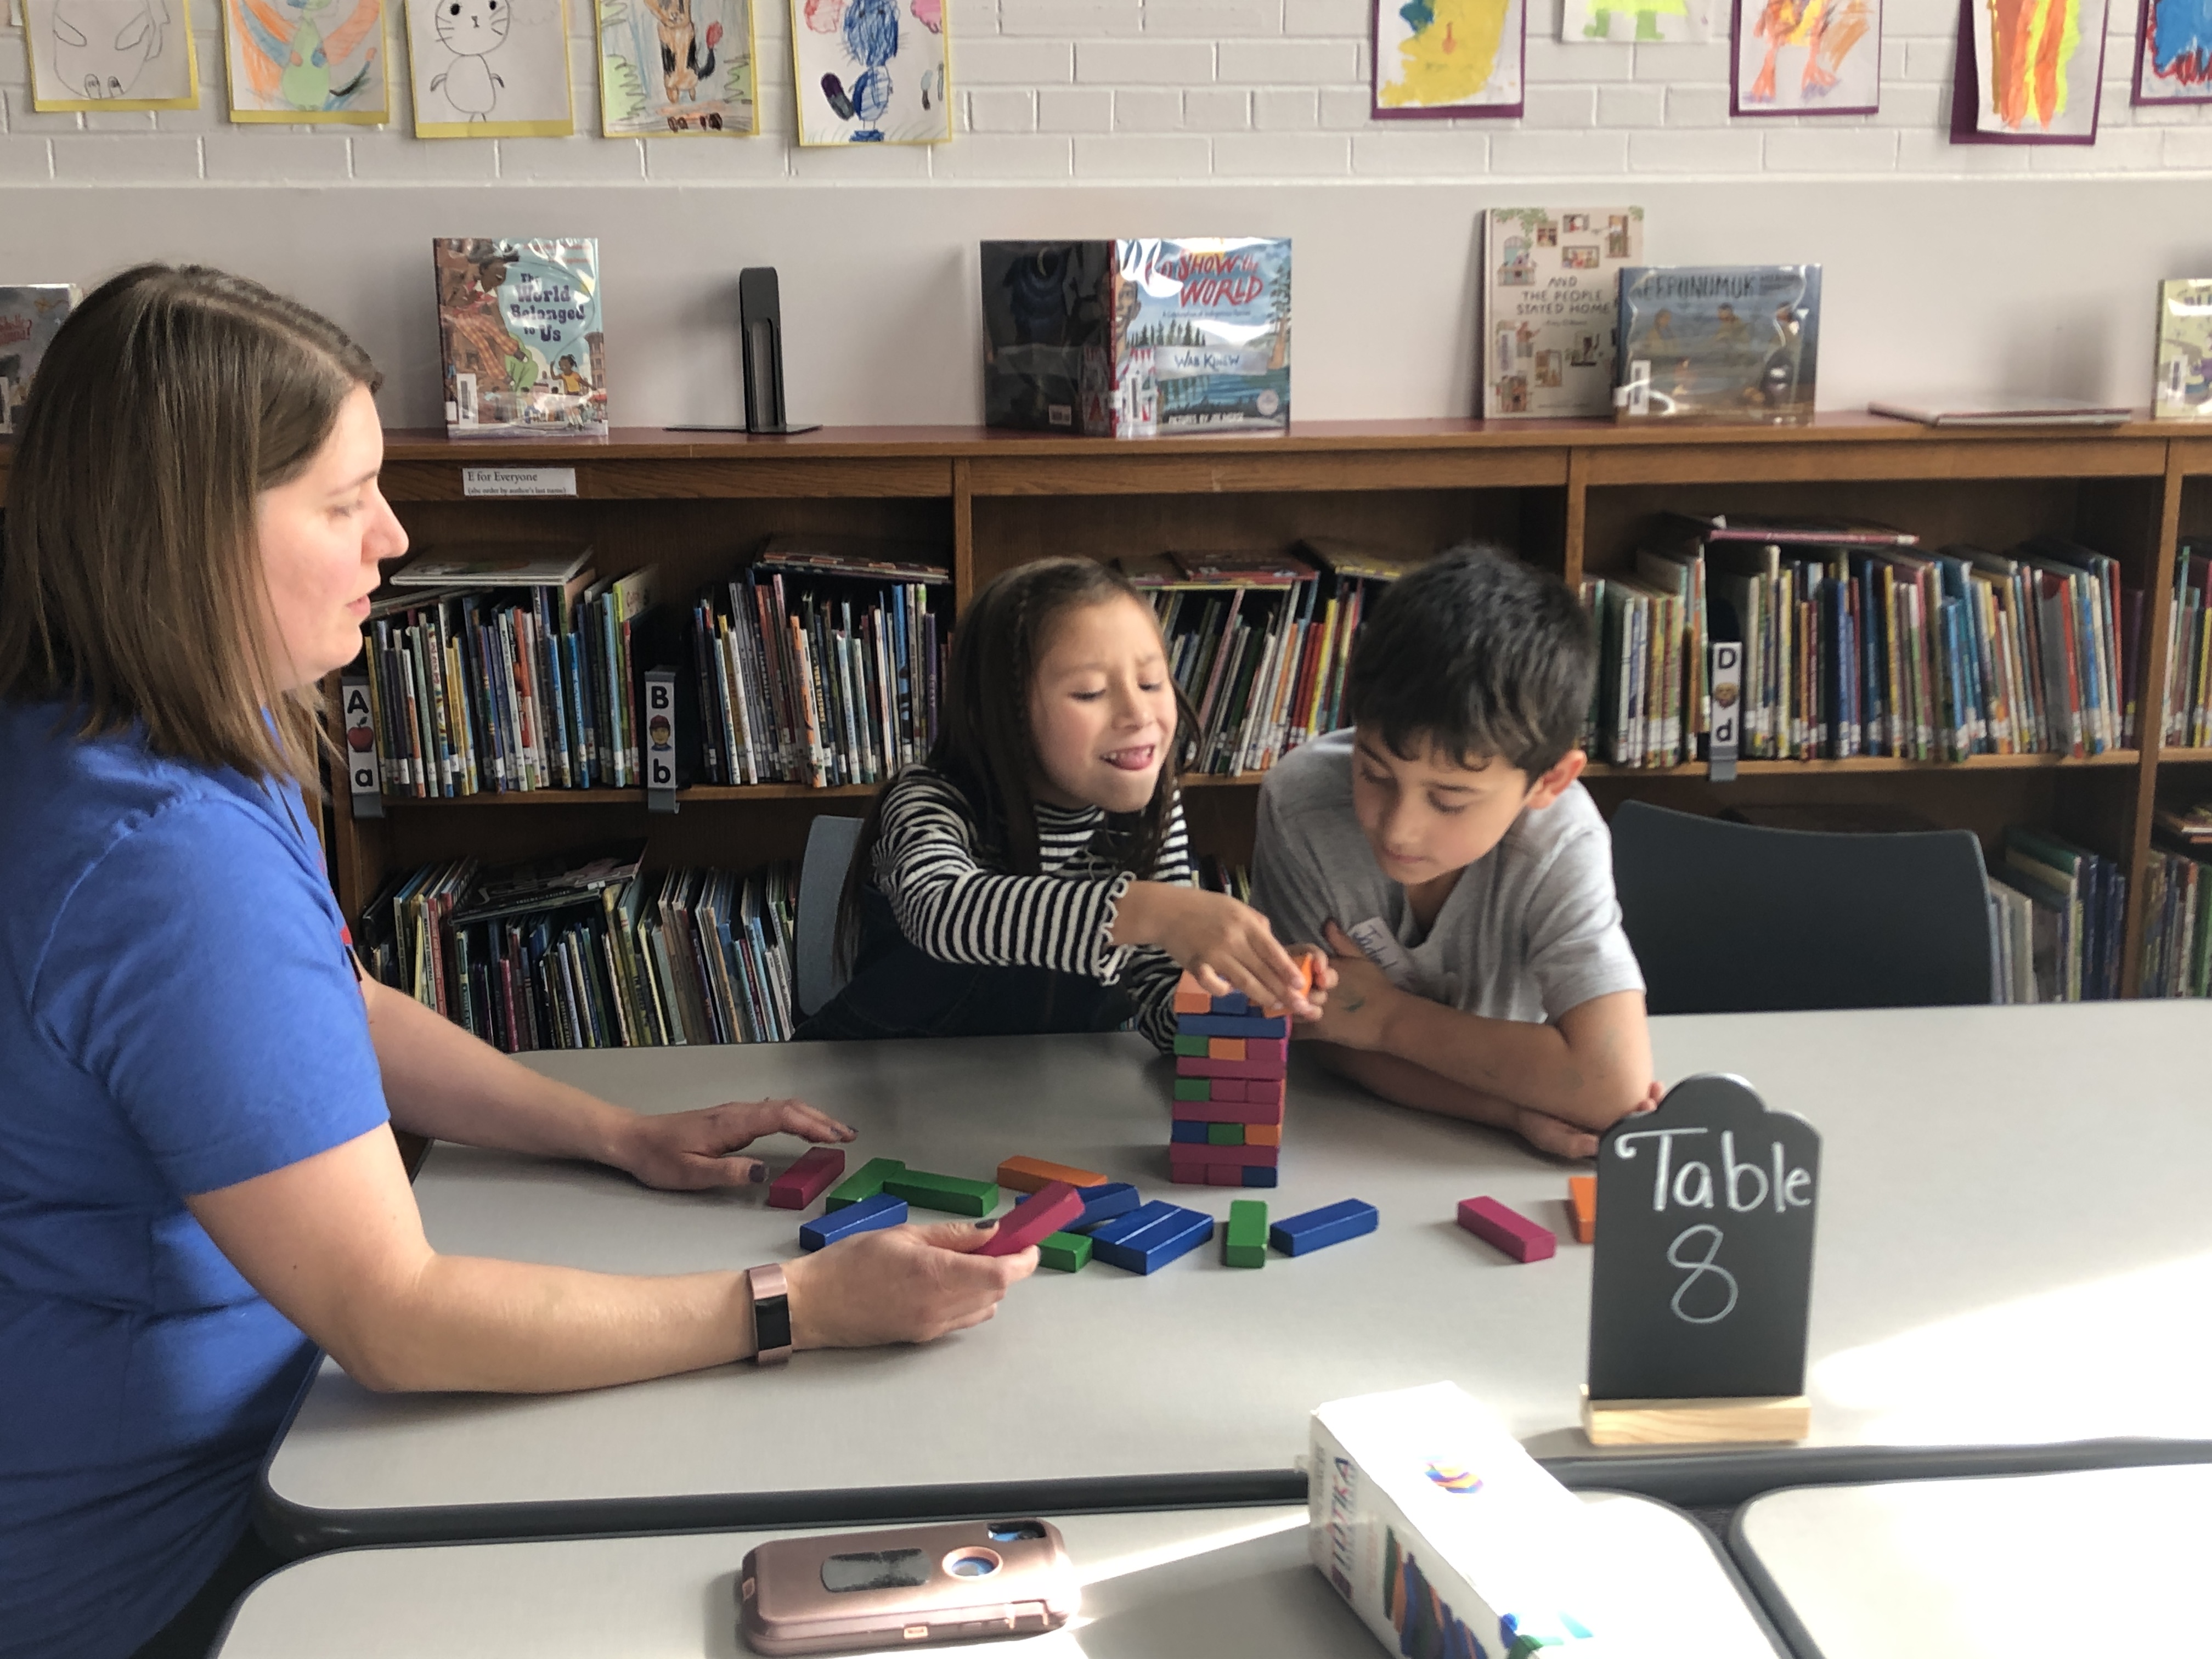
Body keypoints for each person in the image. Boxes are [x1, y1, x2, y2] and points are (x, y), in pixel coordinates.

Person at [0, 266, 1034, 1659]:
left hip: (243, 1449)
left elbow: (327, 1009)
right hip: (165, 1562)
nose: (394, 534)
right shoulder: (166, 859)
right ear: (181, 536)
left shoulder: (130, 731)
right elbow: (399, 1318)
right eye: (339, 499)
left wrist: (614, 1133)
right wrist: (794, 1307)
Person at [798, 557, 1328, 1048]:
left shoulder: (1149, 811)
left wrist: (1240, 996)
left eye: (1151, 681)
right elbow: (940, 911)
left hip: (1042, 1098)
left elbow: (1165, 1015)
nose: (1138, 713)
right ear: (1003, 715)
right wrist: (1151, 910)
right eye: (1091, 692)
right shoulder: (930, 799)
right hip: (876, 1086)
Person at [1250, 545, 1656, 1161]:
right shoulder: (1301, 804)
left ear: (1549, 782)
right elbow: (1320, 1036)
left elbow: (1610, 1086)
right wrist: (1512, 1107)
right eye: (1375, 773)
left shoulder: (1562, 841)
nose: (1399, 831)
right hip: (1347, 1140)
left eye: (1451, 799)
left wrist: (1388, 1020)